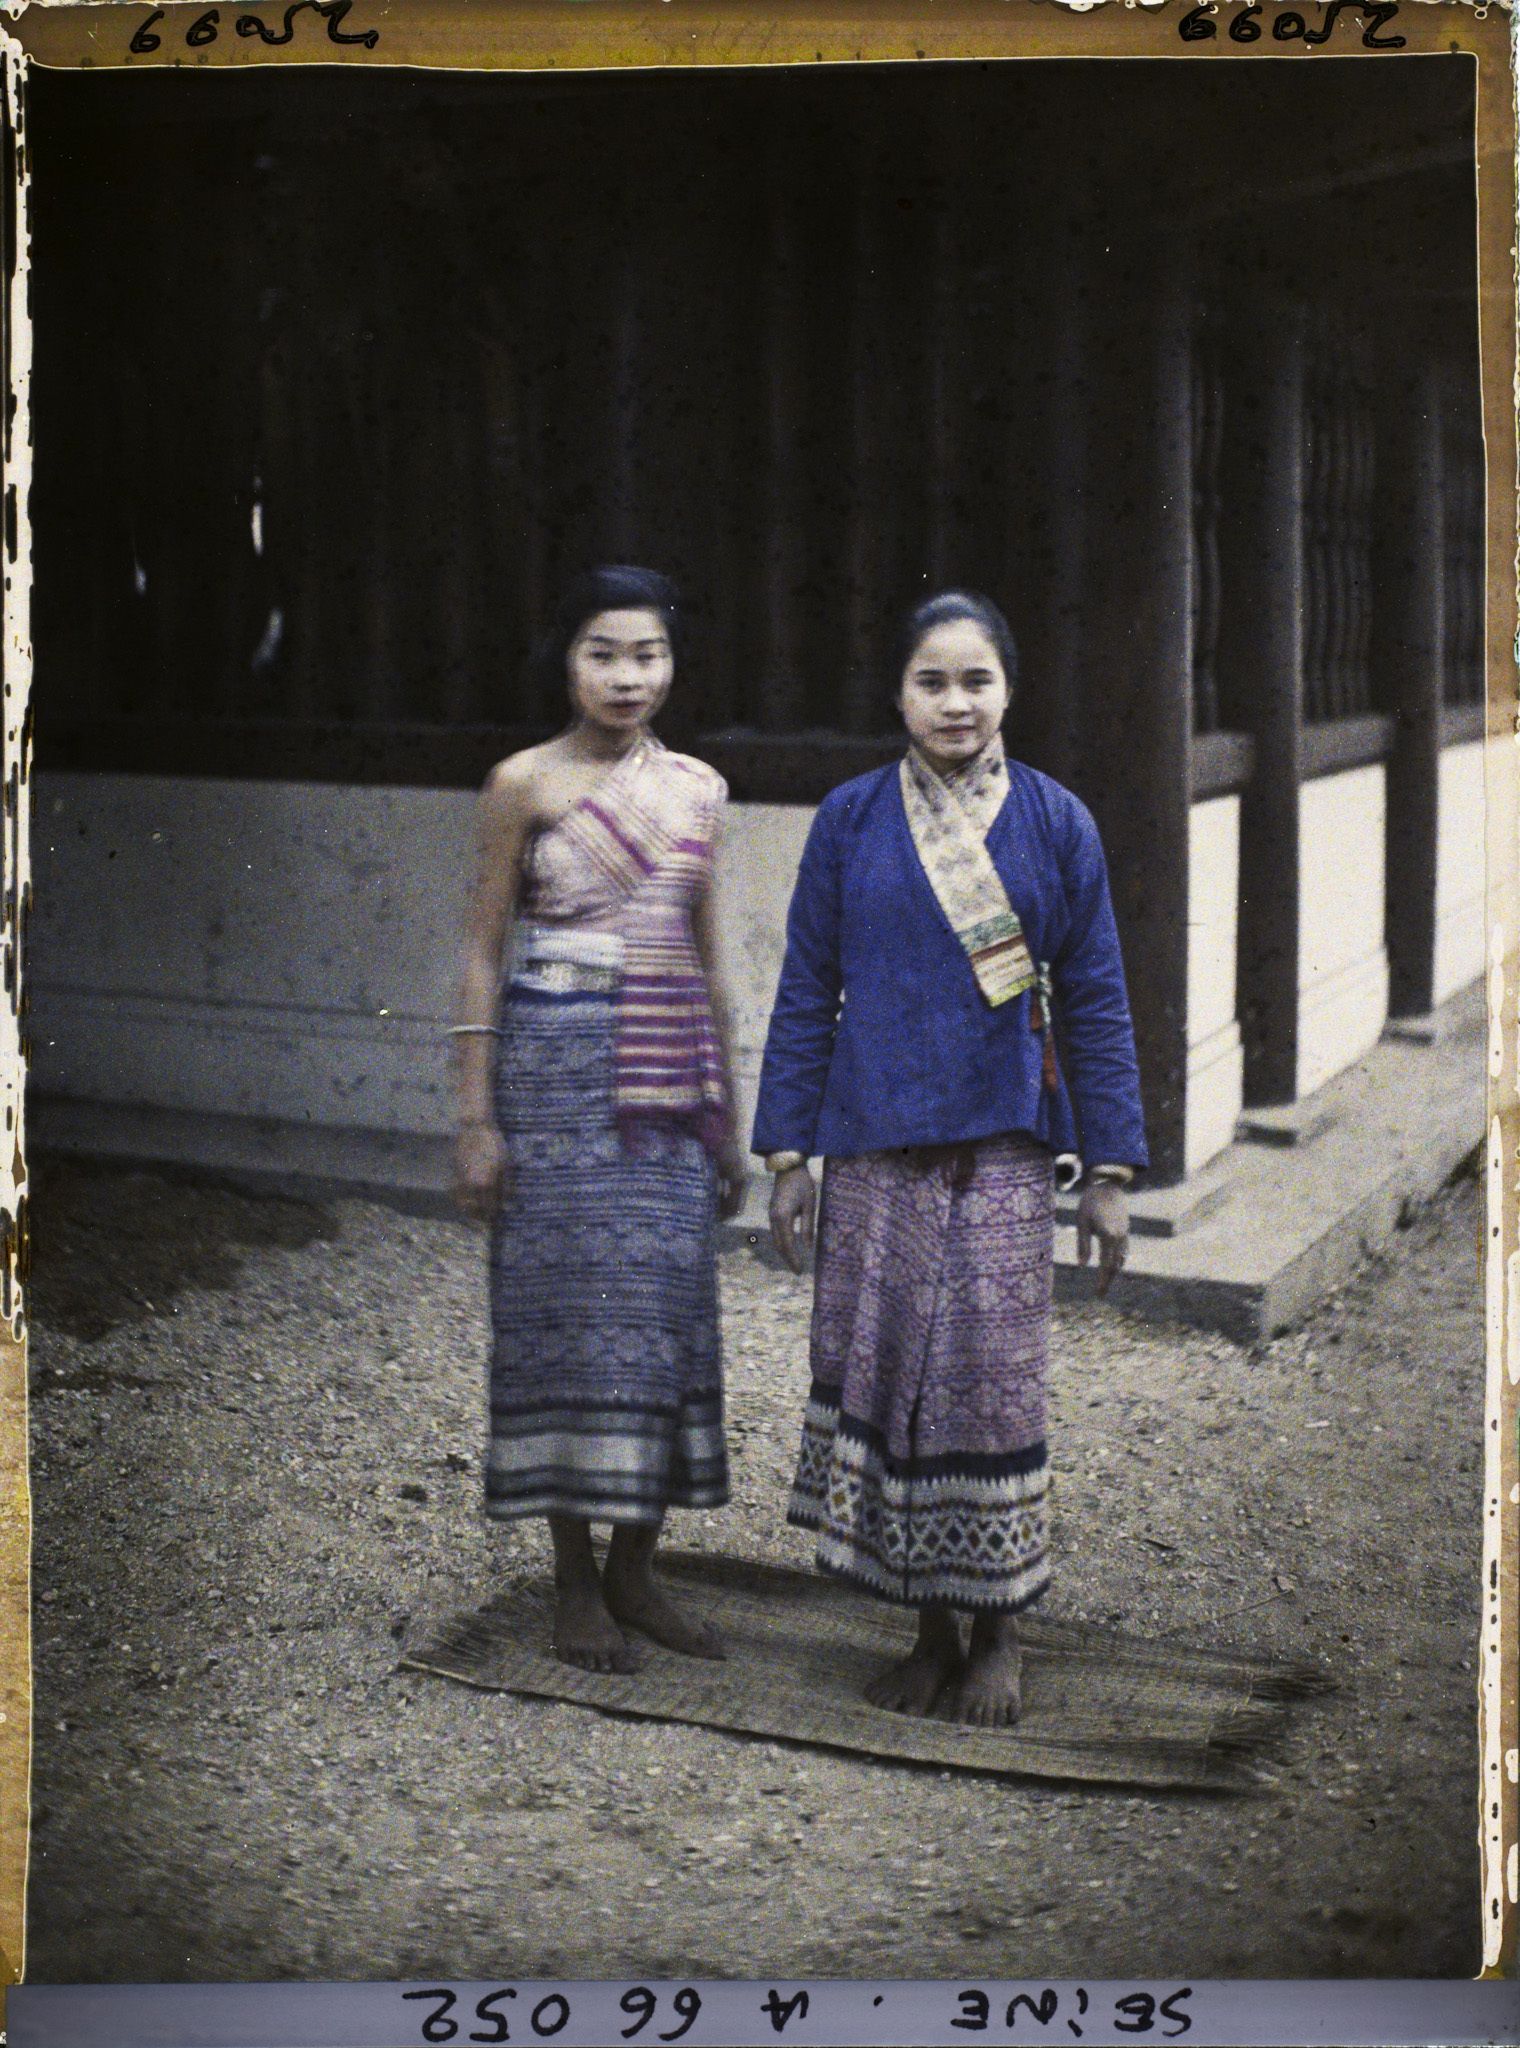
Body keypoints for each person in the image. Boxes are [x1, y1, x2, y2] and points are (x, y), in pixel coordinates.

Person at [751, 589, 1147, 1727]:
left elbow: (1097, 1000)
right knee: (889, 1380)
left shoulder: (1057, 822)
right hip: (875, 1143)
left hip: (1002, 1147)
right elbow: (803, 989)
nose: (955, 702)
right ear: (897, 694)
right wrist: (789, 1150)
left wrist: (1110, 1171)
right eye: (931, 680)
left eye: (975, 679)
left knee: (985, 1382)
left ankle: (998, 1633)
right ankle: (923, 1627)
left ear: (1007, 689)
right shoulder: (849, 819)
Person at [453, 565, 747, 1674]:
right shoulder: (520, 784)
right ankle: (573, 1581)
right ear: (565, 661)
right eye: (602, 653)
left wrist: (730, 1113)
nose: (628, 675)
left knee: (658, 1314)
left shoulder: (700, 788)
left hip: (669, 1083)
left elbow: (713, 961)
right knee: (561, 1311)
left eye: (648, 654)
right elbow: (481, 953)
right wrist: (476, 1120)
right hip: (555, 1069)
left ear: (673, 662)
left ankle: (637, 1566)